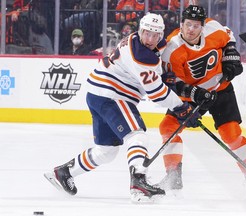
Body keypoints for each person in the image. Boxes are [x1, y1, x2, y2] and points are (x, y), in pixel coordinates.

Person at [44, 12, 201, 203]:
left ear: (160, 35)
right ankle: (139, 182)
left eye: (154, 35)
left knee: (106, 151)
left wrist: (162, 77)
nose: (150, 39)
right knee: (137, 134)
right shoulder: (141, 56)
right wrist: (182, 107)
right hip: (112, 95)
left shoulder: (139, 41)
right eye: (147, 33)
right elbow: (157, 94)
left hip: (98, 93)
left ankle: (64, 173)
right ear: (140, 31)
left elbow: (156, 66)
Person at [157, 5, 246, 200]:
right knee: (167, 128)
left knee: (231, 134)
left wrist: (231, 55)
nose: (191, 30)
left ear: (203, 26)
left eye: (196, 26)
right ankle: (173, 176)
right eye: (188, 25)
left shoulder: (214, 28)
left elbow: (228, 37)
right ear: (181, 24)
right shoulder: (172, 49)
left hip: (221, 90)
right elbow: (173, 84)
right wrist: (194, 93)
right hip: (192, 98)